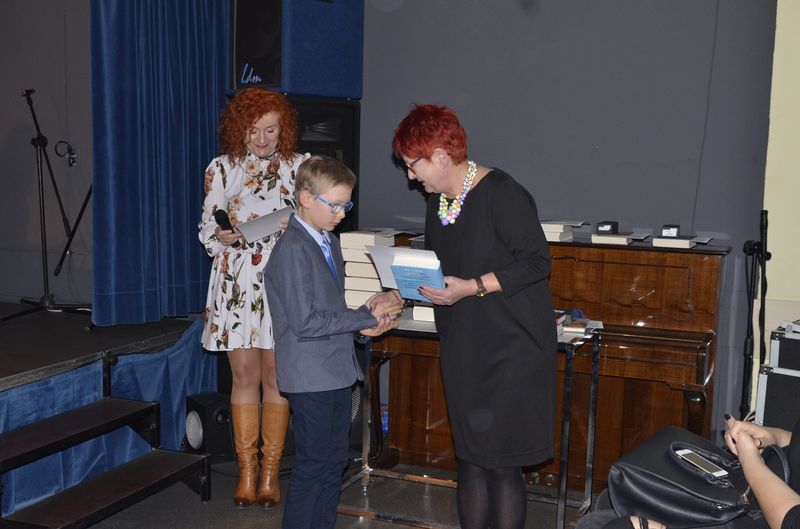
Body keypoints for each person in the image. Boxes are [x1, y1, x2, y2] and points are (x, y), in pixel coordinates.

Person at [391, 104, 558, 529]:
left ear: (440, 156)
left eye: (413, 164)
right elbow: (441, 267)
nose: (410, 176)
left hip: (511, 348)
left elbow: (537, 262)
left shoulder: (503, 193)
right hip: (465, 346)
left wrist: (471, 286)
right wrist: (402, 289)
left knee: (500, 463)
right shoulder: (440, 201)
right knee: (470, 460)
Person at [264, 154, 404, 529]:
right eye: (336, 205)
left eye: (347, 205)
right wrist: (365, 316)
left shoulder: (328, 242)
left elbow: (330, 311)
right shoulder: (293, 248)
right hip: (310, 376)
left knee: (333, 464)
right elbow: (306, 322)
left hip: (335, 370)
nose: (342, 214)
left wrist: (362, 326)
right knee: (314, 467)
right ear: (306, 198)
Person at [198, 87, 309, 509]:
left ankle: (270, 472)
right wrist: (221, 234)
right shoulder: (221, 168)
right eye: (253, 130)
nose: (261, 139)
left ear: (284, 129)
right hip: (237, 280)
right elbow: (207, 227)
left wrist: (286, 226)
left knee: (277, 377)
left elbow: (316, 219)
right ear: (238, 129)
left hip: (282, 278)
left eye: (270, 130)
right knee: (244, 377)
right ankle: (246, 471)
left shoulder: (300, 167)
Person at [576, 415, 800, 529]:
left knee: (599, 523)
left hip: (760, 514)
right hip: (755, 491)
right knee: (612, 498)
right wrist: (776, 436)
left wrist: (751, 460)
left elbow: (792, 521)